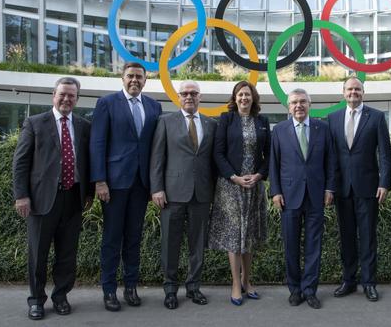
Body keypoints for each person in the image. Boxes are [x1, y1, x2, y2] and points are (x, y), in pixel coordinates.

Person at [12, 77, 92, 320]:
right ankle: (36, 300)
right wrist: (22, 196)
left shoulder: (83, 126)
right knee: (38, 254)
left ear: (77, 99)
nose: (67, 99)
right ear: (53, 96)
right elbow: (21, 162)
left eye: (72, 95)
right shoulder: (35, 123)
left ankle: (60, 296)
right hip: (41, 200)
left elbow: (88, 162)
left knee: (67, 253)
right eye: (63, 94)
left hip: (73, 197)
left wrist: (88, 192)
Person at [90, 62, 162, 311]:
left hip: (141, 185)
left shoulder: (154, 106)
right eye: (130, 76)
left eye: (139, 77)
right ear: (122, 78)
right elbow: (97, 143)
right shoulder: (107, 103)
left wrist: (156, 184)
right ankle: (109, 290)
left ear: (145, 80)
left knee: (134, 238)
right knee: (112, 239)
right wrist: (100, 180)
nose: (134, 80)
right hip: (114, 184)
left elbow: (155, 148)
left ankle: (131, 287)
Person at [150, 80, 217, 310]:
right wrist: (156, 188)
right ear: (178, 97)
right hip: (172, 194)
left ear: (200, 97)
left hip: (201, 193)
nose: (189, 96)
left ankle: (193, 287)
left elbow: (212, 161)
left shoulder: (211, 124)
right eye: (185, 93)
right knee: (171, 243)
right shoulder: (165, 122)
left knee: (197, 244)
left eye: (194, 93)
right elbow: (157, 157)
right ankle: (170, 289)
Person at [269, 88, 336, 309]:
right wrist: (276, 192)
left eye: (303, 102)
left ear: (310, 104)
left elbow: (330, 162)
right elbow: (274, 164)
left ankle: (310, 290)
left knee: (313, 246)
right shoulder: (279, 130)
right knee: (290, 245)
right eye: (294, 102)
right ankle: (295, 290)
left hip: (316, 195)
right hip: (288, 196)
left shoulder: (322, 128)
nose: (299, 106)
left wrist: (329, 189)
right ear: (288, 107)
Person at [327, 76, 391, 302]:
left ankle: (369, 282)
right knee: (346, 238)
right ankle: (348, 280)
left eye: (357, 89)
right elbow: (331, 157)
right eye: (349, 89)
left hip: (368, 188)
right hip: (342, 190)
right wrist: (330, 187)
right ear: (343, 92)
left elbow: (385, 153)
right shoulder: (332, 118)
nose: (353, 92)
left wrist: (385, 183)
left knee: (367, 237)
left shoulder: (376, 117)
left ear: (363, 92)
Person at [209, 81, 270, 306]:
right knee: (235, 236)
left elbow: (269, 155)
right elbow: (218, 153)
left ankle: (247, 280)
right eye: (240, 94)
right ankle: (235, 283)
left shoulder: (262, 122)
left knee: (249, 235)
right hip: (230, 185)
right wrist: (233, 176)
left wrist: (259, 175)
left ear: (253, 98)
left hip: (253, 186)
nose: (244, 98)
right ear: (234, 98)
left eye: (248, 94)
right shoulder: (226, 120)